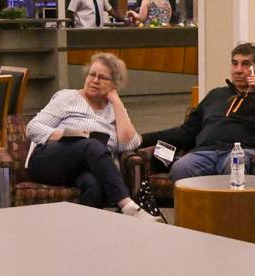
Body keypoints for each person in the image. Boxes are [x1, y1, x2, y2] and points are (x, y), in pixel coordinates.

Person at [25, 53, 160, 221]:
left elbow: (129, 144)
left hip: (83, 168)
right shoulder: (68, 97)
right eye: (92, 74)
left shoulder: (114, 110)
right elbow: (32, 128)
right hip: (48, 161)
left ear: (114, 85)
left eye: (103, 78)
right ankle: (127, 205)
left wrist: (117, 102)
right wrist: (66, 135)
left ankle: (81, 234)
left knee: (94, 185)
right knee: (92, 145)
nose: (95, 80)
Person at [140, 42, 255, 182]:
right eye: (235, 63)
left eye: (246, 64)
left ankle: (230, 208)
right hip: (204, 153)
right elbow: (185, 133)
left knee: (234, 165)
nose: (238, 70)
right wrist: (142, 139)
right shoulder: (215, 95)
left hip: (240, 153)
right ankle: (198, 208)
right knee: (181, 167)